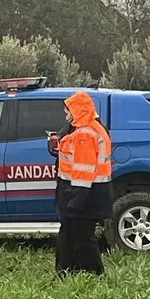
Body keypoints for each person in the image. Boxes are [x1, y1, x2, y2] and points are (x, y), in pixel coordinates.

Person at [47, 91, 112, 277]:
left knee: (81, 237)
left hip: (83, 194)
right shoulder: (86, 128)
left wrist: (75, 201)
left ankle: (93, 274)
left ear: (77, 111)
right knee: (70, 235)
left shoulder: (85, 134)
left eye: (68, 111)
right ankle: (67, 272)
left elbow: (83, 171)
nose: (66, 115)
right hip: (83, 192)